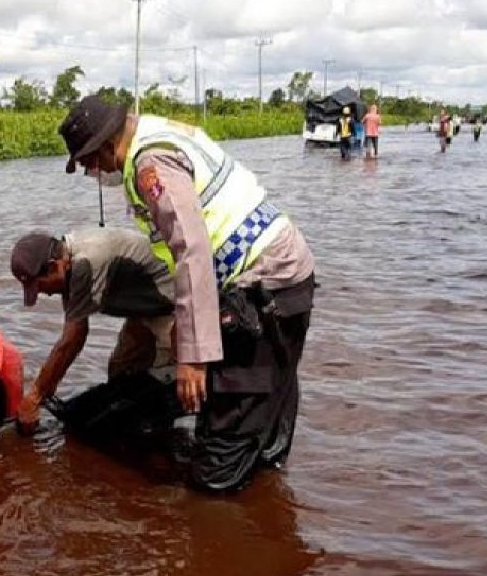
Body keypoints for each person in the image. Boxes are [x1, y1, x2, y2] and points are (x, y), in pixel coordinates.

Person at [53, 95, 316, 493]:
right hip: (289, 273)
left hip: (261, 284)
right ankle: (269, 505)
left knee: (215, 464)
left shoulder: (148, 166)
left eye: (89, 162)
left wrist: (194, 356)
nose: (93, 172)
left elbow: (191, 249)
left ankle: (219, 528)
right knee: (267, 417)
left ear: (106, 145)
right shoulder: (161, 133)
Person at [10, 228, 175, 430]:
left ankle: (162, 440)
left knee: (168, 382)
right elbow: (70, 336)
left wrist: (35, 397)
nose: (47, 294)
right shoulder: (67, 263)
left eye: (42, 287)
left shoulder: (83, 265)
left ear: (54, 267)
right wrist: (48, 384)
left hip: (170, 301)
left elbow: (74, 338)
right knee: (121, 372)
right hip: (140, 306)